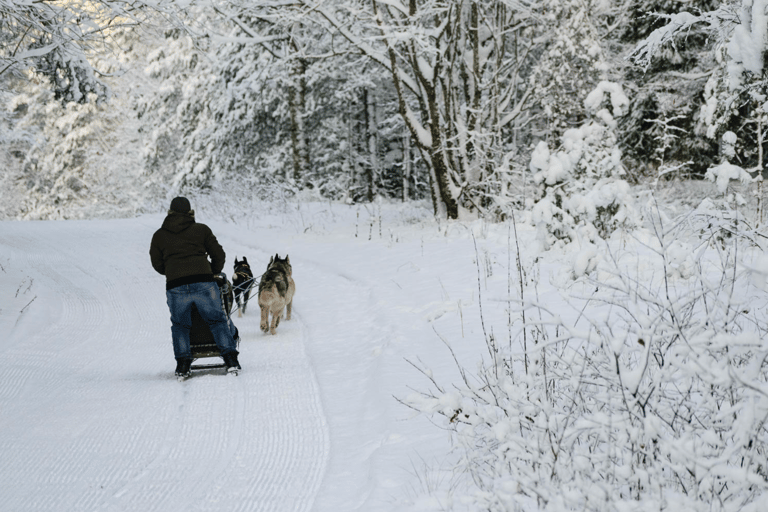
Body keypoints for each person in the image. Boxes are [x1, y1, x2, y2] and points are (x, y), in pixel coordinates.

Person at [149, 196, 241, 378]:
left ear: (170, 212)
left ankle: (183, 365)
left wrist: (172, 272)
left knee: (180, 325)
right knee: (216, 320)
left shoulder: (159, 235)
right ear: (190, 212)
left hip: (176, 286)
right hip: (204, 281)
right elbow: (219, 254)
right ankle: (231, 360)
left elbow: (156, 263)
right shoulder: (201, 230)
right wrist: (212, 271)